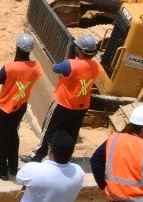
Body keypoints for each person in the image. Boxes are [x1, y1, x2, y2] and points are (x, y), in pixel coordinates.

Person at [28, 34, 102, 162]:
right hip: (81, 106)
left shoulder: (71, 65)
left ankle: (37, 156)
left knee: (49, 130)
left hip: (63, 104)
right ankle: (64, 158)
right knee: (71, 133)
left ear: (80, 51)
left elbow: (56, 68)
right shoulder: (97, 67)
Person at [0, 35, 43, 180]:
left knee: (1, 137)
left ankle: (2, 170)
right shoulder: (37, 67)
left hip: (5, 106)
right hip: (21, 105)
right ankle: (13, 167)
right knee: (13, 134)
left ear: (17, 48)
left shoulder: (9, 67)